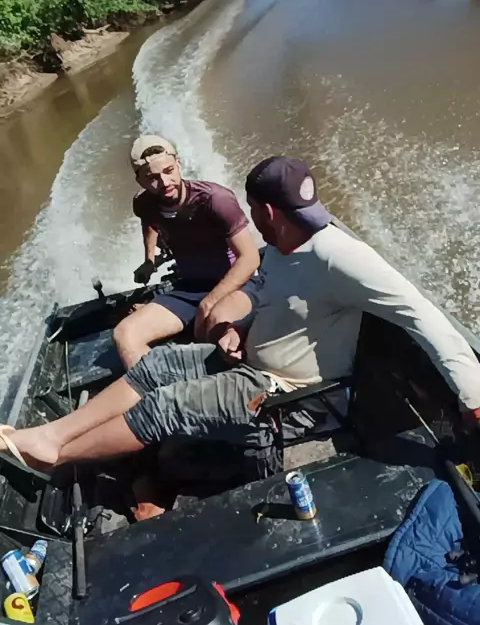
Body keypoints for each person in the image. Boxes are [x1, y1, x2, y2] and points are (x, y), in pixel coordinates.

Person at [2, 156, 480, 499]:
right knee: (157, 366)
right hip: (250, 360)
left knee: (167, 405)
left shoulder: (340, 257)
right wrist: (235, 326)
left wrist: (473, 399)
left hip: (291, 395)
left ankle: (55, 457)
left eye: (253, 210)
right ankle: (52, 435)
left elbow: (424, 317)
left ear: (266, 212)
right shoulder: (283, 250)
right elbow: (264, 295)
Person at [113, 135, 260, 368]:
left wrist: (209, 303)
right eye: (152, 178)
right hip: (190, 288)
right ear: (140, 180)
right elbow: (149, 221)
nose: (164, 182)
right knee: (125, 334)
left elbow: (250, 258)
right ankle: (158, 388)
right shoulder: (143, 203)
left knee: (215, 327)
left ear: (178, 163)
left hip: (238, 284)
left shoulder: (216, 200)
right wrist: (149, 260)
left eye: (169, 170)